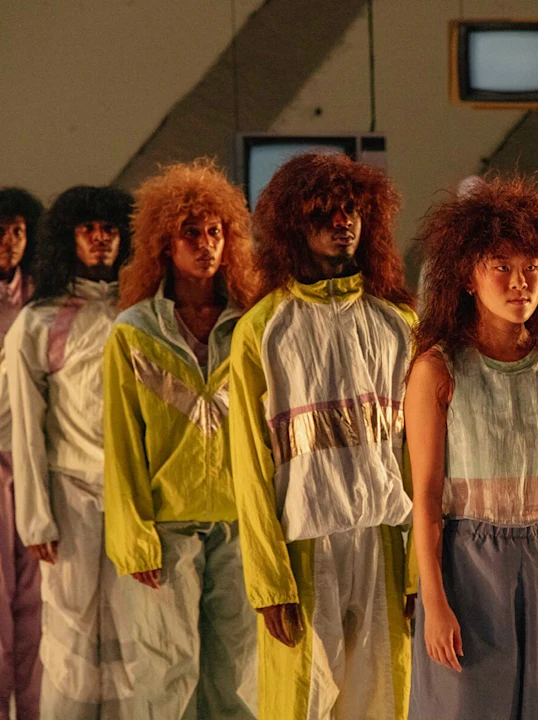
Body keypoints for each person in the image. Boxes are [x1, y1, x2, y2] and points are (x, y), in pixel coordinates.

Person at [229, 152, 416, 720]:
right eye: (324, 213)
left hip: (383, 542)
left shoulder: (399, 323)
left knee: (382, 704)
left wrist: (418, 571)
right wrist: (269, 583)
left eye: (352, 210)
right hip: (305, 550)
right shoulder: (262, 330)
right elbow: (249, 467)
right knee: (302, 705)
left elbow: (421, 456)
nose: (342, 223)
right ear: (292, 225)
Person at [405, 175, 538, 719]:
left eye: (531, 267)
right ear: (468, 276)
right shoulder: (439, 369)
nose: (520, 283)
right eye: (501, 267)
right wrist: (435, 602)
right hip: (468, 569)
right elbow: (427, 500)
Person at [102, 160, 260, 718]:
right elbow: (120, 445)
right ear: (164, 244)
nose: (205, 244)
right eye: (191, 232)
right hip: (167, 529)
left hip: (240, 525)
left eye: (215, 231)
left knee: (236, 676)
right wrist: (133, 537)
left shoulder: (251, 326)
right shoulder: (134, 333)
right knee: (168, 676)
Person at [6, 185, 132, 718]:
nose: (100, 238)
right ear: (67, 238)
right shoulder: (38, 321)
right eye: (88, 229)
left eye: (110, 229)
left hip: (133, 499)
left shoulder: (144, 315)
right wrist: (36, 518)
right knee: (70, 635)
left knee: (133, 636)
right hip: (69, 494)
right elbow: (25, 427)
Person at [0, 187, 43, 720]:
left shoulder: (40, 298)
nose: (9, 241)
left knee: (36, 603)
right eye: (0, 230)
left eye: (18, 230)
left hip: (33, 461)